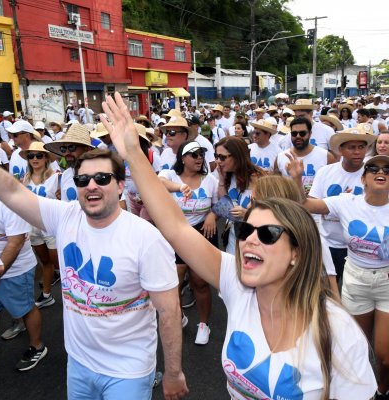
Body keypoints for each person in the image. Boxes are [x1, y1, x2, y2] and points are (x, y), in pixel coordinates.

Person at [98, 93, 377, 399]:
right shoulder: (238, 285)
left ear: (297, 252)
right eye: (246, 230)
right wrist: (134, 156)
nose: (251, 239)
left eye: (268, 233)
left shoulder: (338, 331)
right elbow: (176, 227)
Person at [0, 147, 188, 399]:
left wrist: (173, 372)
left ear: (119, 186)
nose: (91, 185)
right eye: (83, 180)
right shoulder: (65, 217)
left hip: (128, 370)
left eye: (102, 178)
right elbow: (10, 190)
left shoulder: (146, 239)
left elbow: (169, 311)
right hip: (78, 364)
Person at [287, 154, 389, 399]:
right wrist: (298, 178)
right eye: (373, 167)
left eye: (387, 168)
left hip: (387, 284)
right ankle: (357, 389)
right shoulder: (347, 202)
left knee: (386, 358)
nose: (380, 171)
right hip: (356, 281)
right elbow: (307, 205)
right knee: (357, 346)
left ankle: (381, 390)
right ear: (363, 178)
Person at [0, 151, 47, 371]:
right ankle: (18, 323)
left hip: (14, 270)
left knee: (25, 308)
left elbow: (14, 243)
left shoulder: (10, 200)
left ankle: (37, 346)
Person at [159, 141, 219, 345]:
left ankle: (204, 324)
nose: (199, 157)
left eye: (201, 153)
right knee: (174, 280)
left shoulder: (210, 179)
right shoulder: (170, 176)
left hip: (202, 232)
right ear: (182, 158)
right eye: (193, 154)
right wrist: (179, 187)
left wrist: (212, 214)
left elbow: (220, 205)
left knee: (200, 282)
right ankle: (178, 316)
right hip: (175, 232)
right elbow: (157, 182)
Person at [307, 126, 376, 285]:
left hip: (359, 250)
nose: (357, 151)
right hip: (327, 244)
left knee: (352, 296)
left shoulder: (373, 175)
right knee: (326, 292)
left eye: (361, 147)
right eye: (352, 147)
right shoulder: (325, 172)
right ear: (341, 150)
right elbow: (311, 203)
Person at [21, 142, 60, 309]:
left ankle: (72, 295)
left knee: (60, 264)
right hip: (33, 226)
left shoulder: (56, 177)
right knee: (45, 262)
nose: (35, 159)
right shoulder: (26, 178)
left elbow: (63, 200)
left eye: (39, 155)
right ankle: (46, 295)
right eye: (31, 156)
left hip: (50, 226)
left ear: (46, 158)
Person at [214, 136, 265, 254]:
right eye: (216, 156)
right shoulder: (229, 175)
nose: (218, 161)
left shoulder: (259, 179)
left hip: (254, 240)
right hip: (233, 236)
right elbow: (224, 202)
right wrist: (222, 180)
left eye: (222, 157)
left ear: (237, 156)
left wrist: (247, 213)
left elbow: (269, 211)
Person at [44, 123, 94, 202]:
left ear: (86, 149)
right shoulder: (67, 174)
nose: (67, 152)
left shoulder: (99, 174)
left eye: (71, 147)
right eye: (63, 148)